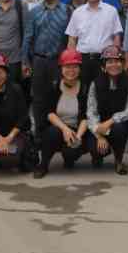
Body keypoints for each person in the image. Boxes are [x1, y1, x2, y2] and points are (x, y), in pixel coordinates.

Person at [23, 0, 73, 141]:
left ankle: (56, 134)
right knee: (38, 99)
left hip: (59, 62)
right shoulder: (34, 12)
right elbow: (28, 37)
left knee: (58, 96)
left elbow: (71, 38)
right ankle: (39, 134)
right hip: (38, 61)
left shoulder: (68, 11)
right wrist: (25, 62)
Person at [34, 49, 90, 178]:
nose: (71, 70)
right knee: (52, 132)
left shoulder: (85, 88)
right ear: (61, 68)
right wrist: (65, 129)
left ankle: (69, 158)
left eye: (75, 66)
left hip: (77, 129)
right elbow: (49, 112)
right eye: (67, 66)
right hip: (58, 127)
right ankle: (43, 165)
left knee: (72, 150)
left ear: (80, 68)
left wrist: (78, 137)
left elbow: (85, 116)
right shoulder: (53, 85)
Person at [65, 0, 123, 95]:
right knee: (82, 93)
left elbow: (116, 37)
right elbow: (72, 39)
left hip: (104, 60)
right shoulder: (78, 12)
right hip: (82, 60)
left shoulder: (111, 11)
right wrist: (72, 62)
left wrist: (114, 60)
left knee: (103, 92)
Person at [84, 45, 128, 175]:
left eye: (117, 61)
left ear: (122, 64)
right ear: (104, 66)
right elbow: (91, 111)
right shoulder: (95, 83)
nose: (114, 65)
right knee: (95, 148)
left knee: (119, 128)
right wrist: (99, 135)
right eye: (110, 62)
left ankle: (119, 160)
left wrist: (111, 121)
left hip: (117, 124)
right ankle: (98, 156)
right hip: (99, 125)